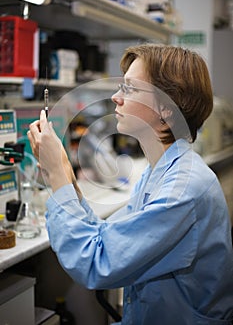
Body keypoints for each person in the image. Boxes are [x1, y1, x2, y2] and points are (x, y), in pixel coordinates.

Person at [28, 44, 233, 325]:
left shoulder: (183, 189)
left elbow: (97, 263)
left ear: (166, 109)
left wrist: (56, 177)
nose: (115, 97)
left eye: (129, 88)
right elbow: (109, 239)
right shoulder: (158, 173)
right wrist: (67, 178)